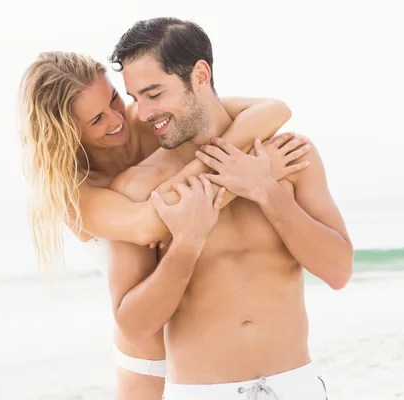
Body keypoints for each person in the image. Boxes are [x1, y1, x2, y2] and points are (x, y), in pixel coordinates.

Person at [19, 51, 309, 400]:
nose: (117, 119)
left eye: (114, 98)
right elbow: (149, 226)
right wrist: (247, 177)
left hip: (204, 337)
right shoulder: (74, 190)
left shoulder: (147, 118)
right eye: (96, 119)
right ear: (65, 133)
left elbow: (274, 110)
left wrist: (238, 166)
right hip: (148, 351)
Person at [106, 17, 353, 399]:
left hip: (295, 386)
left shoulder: (288, 155)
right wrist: (187, 242)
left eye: (154, 94)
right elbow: (135, 328)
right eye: (136, 98)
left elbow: (338, 271)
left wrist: (265, 190)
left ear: (200, 75)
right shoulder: (139, 188)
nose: (142, 112)